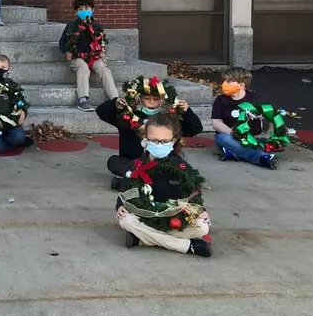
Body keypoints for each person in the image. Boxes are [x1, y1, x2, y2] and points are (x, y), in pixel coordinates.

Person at [116, 114, 212, 257]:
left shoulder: (181, 167)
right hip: (145, 216)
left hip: (174, 219)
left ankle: (143, 239)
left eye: (164, 141)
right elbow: (125, 190)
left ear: (172, 142)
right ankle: (187, 246)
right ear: (145, 140)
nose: (159, 145)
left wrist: (201, 210)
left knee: (202, 227)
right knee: (125, 220)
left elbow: (193, 194)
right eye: (154, 140)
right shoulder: (136, 166)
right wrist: (120, 206)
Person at [99, 75, 203, 190]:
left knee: (179, 167)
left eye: (156, 99)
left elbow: (195, 128)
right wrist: (115, 104)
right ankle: (147, 179)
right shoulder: (127, 117)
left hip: (163, 161)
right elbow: (101, 112)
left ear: (162, 100)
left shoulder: (169, 119)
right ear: (139, 99)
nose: (152, 102)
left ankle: (132, 182)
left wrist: (186, 111)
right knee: (114, 162)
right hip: (135, 162)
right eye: (147, 98)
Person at [59, 0, 118, 112]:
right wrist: (66, 51)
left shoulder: (97, 27)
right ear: (75, 12)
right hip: (77, 56)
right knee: (83, 68)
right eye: (80, 9)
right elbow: (62, 42)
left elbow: (101, 42)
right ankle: (82, 99)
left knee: (104, 70)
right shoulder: (71, 26)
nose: (84, 11)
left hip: (93, 56)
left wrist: (102, 52)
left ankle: (115, 99)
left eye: (87, 8)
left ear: (92, 10)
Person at [211, 67, 278, 169]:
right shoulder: (220, 100)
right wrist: (233, 133)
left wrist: (269, 134)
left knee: (276, 142)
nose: (224, 84)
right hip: (230, 137)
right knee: (223, 138)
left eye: (229, 81)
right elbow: (216, 123)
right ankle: (260, 157)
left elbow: (273, 114)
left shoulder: (254, 98)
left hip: (254, 138)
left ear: (241, 85)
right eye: (224, 80)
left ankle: (234, 154)